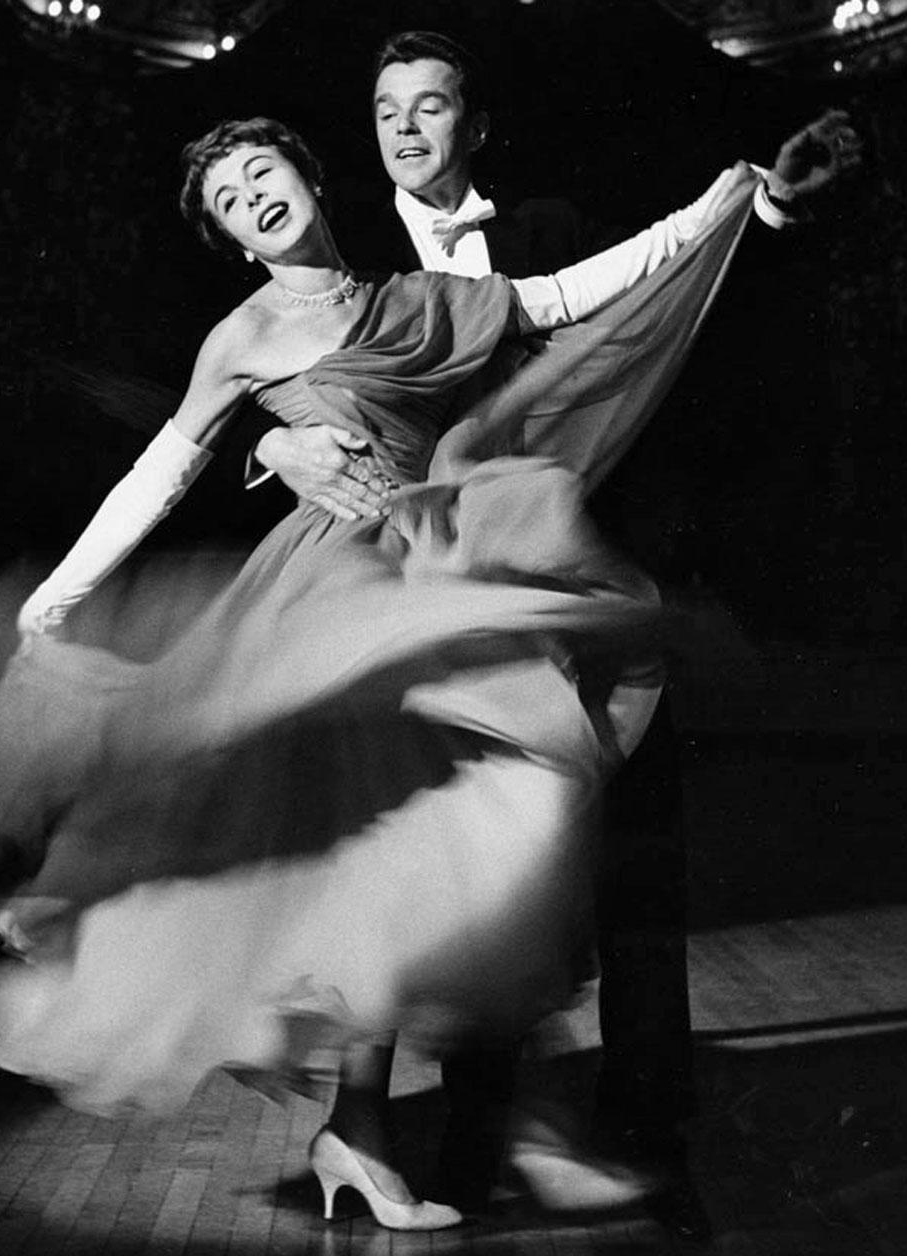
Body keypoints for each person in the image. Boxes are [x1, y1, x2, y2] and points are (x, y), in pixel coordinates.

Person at [0, 114, 850, 1235]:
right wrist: (52, 603)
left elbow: (572, 295)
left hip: (430, 574)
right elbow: (155, 476)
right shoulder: (241, 335)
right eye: (228, 197)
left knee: (433, 838)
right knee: (380, 835)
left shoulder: (420, 300)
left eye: (262, 171)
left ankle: (367, 1131)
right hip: (328, 596)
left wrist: (732, 194)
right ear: (229, 237)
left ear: (308, 178)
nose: (253, 195)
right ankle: (446, 1128)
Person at [244, 30, 861, 1231]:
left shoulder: (550, 230)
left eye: (432, 106)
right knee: (468, 853)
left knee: (629, 844)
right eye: (385, 110)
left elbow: (665, 293)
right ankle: (481, 1125)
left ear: (475, 126)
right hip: (435, 609)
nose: (408, 128)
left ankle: (643, 1110)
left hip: (579, 575)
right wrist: (275, 442)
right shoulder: (347, 263)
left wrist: (766, 207)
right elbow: (262, 382)